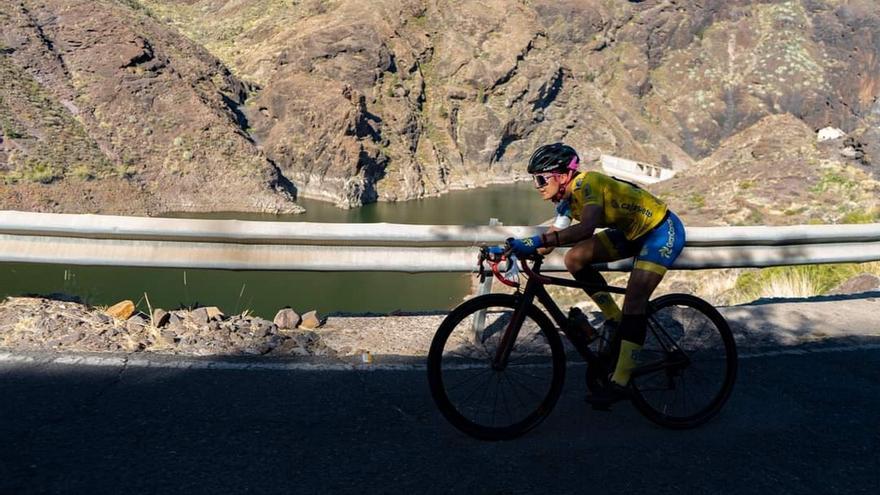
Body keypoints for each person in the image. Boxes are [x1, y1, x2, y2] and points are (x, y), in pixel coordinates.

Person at [505, 143, 686, 407]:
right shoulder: (565, 203)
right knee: (574, 259)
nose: (538, 185)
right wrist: (511, 247)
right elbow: (550, 241)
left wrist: (535, 242)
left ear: (564, 175)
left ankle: (622, 379)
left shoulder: (586, 184)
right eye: (536, 180)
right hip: (631, 233)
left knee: (635, 299)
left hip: (660, 230)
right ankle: (614, 318)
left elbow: (586, 229)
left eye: (542, 178)